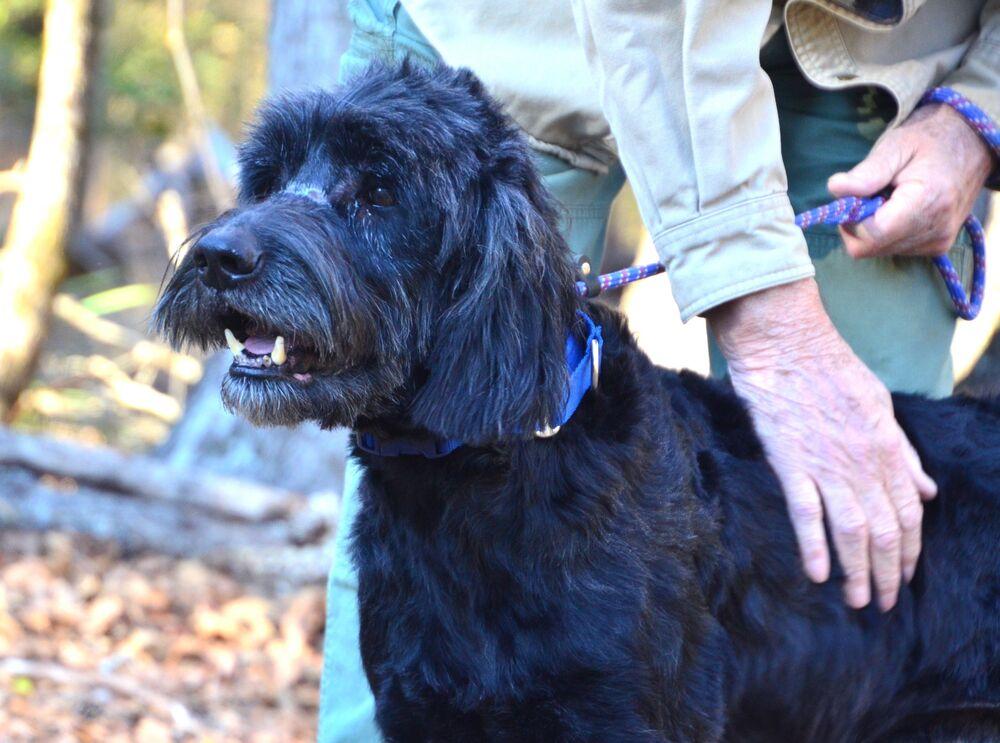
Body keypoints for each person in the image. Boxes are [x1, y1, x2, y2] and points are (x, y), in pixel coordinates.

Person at [319, 1, 1000, 739]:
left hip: (882, 63)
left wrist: (979, 111)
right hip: (517, 36)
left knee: (879, 546)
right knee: (429, 459)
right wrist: (773, 327)